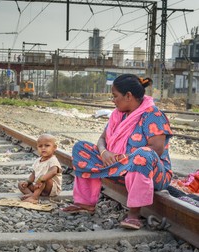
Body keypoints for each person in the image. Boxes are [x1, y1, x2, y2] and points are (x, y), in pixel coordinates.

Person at [62, 74, 173, 230]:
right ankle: (85, 203)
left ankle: (134, 214)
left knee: (143, 154)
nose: (113, 100)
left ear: (128, 96)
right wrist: (104, 152)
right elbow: (102, 139)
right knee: (80, 148)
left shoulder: (153, 115)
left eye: (115, 96)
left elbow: (157, 149)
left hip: (152, 172)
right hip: (118, 167)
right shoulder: (118, 116)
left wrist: (123, 158)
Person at [18, 134, 62, 204]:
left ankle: (34, 198)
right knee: (21, 184)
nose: (43, 148)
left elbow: (53, 172)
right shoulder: (37, 161)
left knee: (44, 178)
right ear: (37, 148)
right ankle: (31, 194)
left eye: (47, 145)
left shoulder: (53, 160)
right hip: (38, 186)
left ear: (54, 147)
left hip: (50, 189)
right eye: (40, 146)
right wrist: (28, 182)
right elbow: (33, 174)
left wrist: (41, 179)